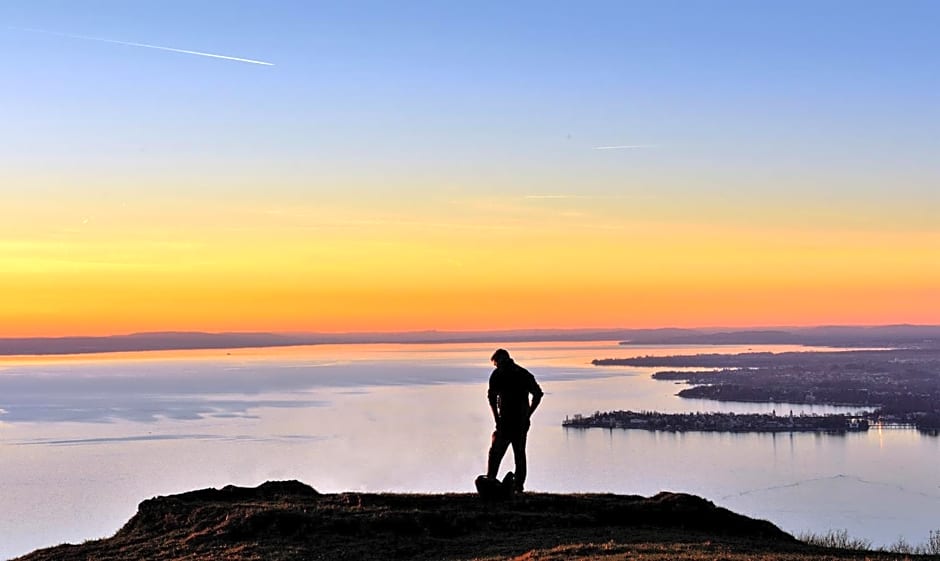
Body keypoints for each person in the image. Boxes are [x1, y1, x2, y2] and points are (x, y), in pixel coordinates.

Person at [486, 348, 543, 492]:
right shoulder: (523, 373)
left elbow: (491, 398)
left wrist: (497, 418)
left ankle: (491, 480)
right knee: (519, 454)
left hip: (507, 422)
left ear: (500, 360)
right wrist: (528, 414)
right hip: (518, 421)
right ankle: (517, 486)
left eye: (496, 363)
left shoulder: (498, 375)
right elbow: (538, 395)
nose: (496, 366)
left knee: (496, 453)